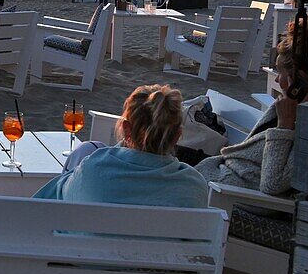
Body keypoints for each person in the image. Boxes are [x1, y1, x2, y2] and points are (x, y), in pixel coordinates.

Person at [195, 21, 308, 195]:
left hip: (225, 192)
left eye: (279, 72)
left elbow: (272, 184)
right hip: (219, 173)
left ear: (296, 80)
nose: (276, 81)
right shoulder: (287, 108)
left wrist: (284, 125)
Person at [35, 84, 207, 208]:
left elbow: (47, 204)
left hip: (89, 257)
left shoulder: (93, 170)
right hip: (158, 258)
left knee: (86, 150)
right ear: (177, 136)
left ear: (126, 129)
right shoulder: (193, 186)